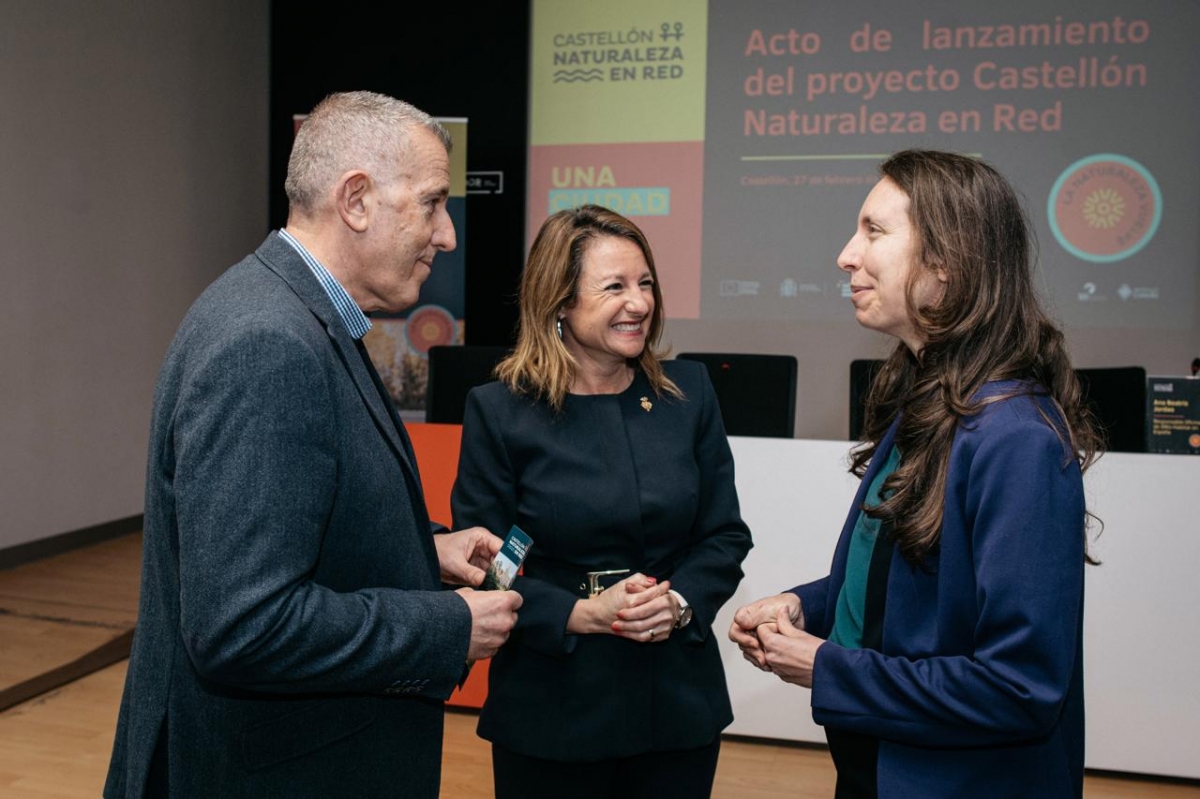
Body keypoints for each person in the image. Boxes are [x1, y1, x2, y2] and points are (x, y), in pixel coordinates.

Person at [104, 91, 522, 799]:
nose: (446, 234)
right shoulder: (269, 341)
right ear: (356, 199)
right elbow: (245, 623)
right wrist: (443, 624)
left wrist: (424, 549)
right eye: (430, 203)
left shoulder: (290, 312)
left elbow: (295, 514)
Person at [729, 150, 1100, 798]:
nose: (847, 255)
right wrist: (805, 606)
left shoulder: (1017, 441)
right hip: (882, 767)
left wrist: (825, 667)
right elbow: (899, 587)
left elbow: (1020, 687)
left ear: (949, 262)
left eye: (874, 231)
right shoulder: (930, 403)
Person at [450, 204, 753, 799]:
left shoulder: (687, 394)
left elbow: (724, 535)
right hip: (553, 703)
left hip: (675, 700)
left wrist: (681, 603)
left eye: (645, 283)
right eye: (614, 286)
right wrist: (576, 614)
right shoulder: (501, 410)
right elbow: (485, 560)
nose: (639, 302)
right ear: (560, 300)